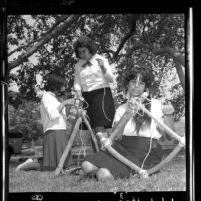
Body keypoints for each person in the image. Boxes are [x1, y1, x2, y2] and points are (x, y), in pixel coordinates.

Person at [81, 66, 176, 181]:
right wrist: (127, 113)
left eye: (141, 83)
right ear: (127, 85)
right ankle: (111, 170)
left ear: (146, 87)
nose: (136, 86)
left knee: (103, 174)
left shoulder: (156, 105)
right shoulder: (121, 108)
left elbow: (169, 137)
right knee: (86, 166)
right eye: (133, 82)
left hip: (145, 152)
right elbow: (115, 136)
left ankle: (112, 172)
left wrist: (168, 115)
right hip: (121, 148)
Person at [15, 72, 74, 171]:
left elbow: (62, 116)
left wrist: (69, 106)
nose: (65, 86)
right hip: (53, 132)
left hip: (61, 130)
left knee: (63, 164)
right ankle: (27, 165)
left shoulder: (56, 98)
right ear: (56, 85)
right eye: (63, 84)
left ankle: (31, 162)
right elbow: (53, 116)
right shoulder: (46, 97)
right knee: (52, 166)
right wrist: (64, 103)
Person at [73, 36, 116, 150]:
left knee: (100, 126)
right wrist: (77, 91)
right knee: (92, 127)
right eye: (79, 52)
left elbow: (111, 79)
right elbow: (77, 83)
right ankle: (98, 154)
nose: (82, 55)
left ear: (90, 49)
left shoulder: (101, 60)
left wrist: (103, 68)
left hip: (101, 94)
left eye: (84, 51)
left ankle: (109, 152)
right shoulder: (78, 65)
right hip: (86, 96)